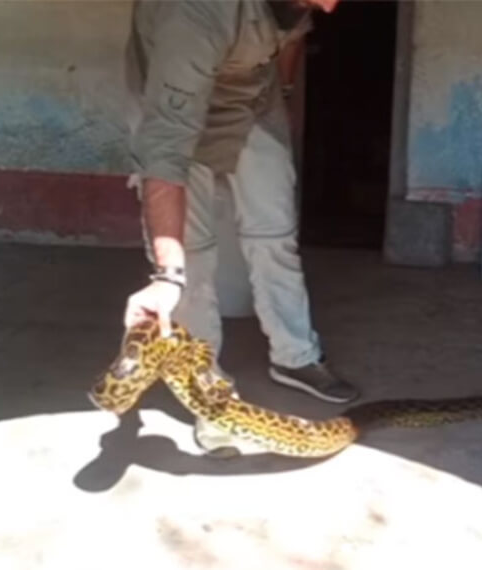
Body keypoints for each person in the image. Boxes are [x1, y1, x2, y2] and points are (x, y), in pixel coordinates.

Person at [120, 0, 360, 437]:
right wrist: (166, 275)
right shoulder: (195, 14)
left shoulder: (299, 5)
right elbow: (165, 155)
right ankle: (206, 389)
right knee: (192, 257)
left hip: (251, 98)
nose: (332, 7)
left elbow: (295, 33)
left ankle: (296, 357)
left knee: (275, 231)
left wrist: (283, 93)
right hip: (175, 107)